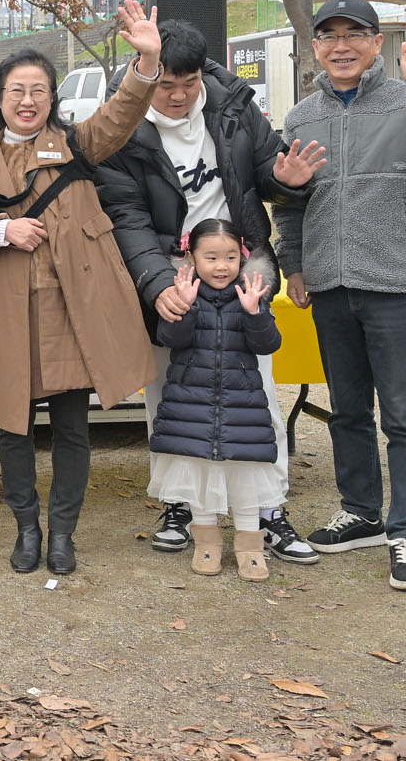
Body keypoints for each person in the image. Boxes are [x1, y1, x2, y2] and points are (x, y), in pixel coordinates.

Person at [93, 19, 324, 565]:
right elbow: (125, 215)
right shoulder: (120, 126)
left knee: (257, 393)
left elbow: (266, 170)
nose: (178, 96)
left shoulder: (234, 106)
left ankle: (266, 507)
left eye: (189, 83)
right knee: (171, 396)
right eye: (165, 85)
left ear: (203, 75)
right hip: (171, 274)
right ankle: (180, 504)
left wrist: (287, 180)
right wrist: (156, 285)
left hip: (237, 269)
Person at [273, 0, 406, 592]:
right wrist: (295, 264)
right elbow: (290, 200)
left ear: (376, 42)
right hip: (329, 284)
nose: (341, 46)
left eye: (355, 34)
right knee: (347, 410)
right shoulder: (302, 117)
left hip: (397, 283)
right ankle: (362, 511)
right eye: (329, 36)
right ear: (315, 47)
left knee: (405, 416)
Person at [0, 0, 162, 577]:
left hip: (70, 307)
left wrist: (146, 63)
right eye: (16, 90)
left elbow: (121, 114)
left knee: (72, 426)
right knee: (12, 424)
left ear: (52, 98)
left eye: (39, 91)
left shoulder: (77, 144)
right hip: (8, 307)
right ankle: (27, 529)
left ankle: (63, 533)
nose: (27, 101)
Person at [150, 218, 287, 581]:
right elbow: (170, 339)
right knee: (199, 477)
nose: (221, 266)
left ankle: (250, 548)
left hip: (242, 410)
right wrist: (186, 307)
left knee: (245, 480)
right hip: (191, 408)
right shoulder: (181, 294)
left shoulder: (251, 293)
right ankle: (206, 543)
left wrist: (255, 313)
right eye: (211, 257)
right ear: (192, 258)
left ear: (242, 258)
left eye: (230, 257)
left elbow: (268, 344)